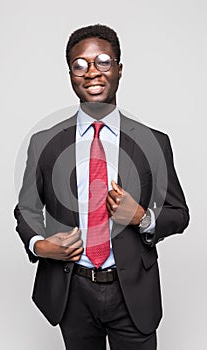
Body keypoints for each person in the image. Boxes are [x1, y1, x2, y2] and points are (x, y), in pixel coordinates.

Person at [14, 24, 189, 350]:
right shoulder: (45, 143)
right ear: (70, 74)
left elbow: (179, 213)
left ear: (119, 69)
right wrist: (41, 245)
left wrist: (142, 217)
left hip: (132, 293)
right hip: (72, 292)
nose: (91, 72)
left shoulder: (153, 143)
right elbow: (26, 209)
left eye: (103, 61)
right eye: (80, 64)